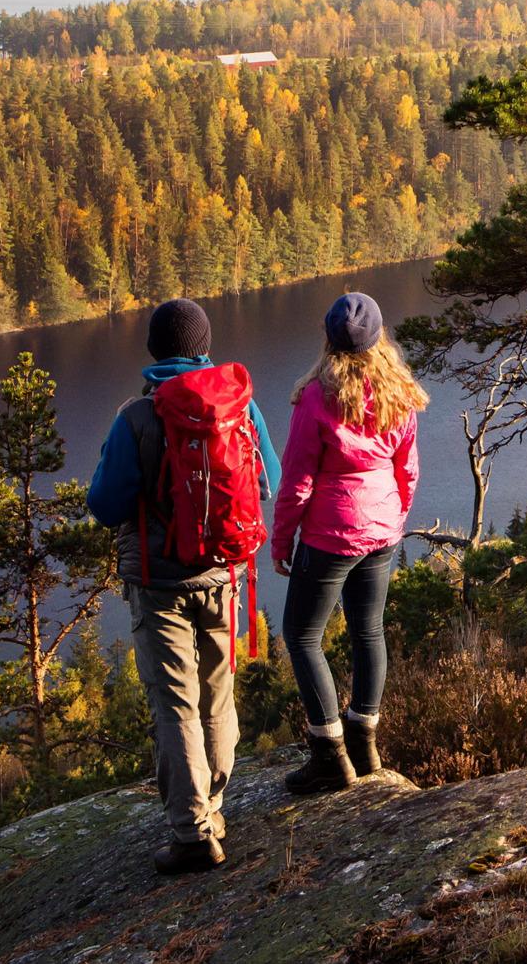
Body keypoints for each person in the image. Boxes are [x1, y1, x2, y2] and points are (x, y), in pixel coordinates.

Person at [87, 298, 281, 875]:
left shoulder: (136, 416)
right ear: (203, 345)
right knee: (217, 695)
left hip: (158, 582)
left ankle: (192, 833)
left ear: (154, 350)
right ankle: (213, 807)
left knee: (174, 704)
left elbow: (104, 505)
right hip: (222, 575)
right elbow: (265, 480)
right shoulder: (240, 407)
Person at [272, 291, 425, 792]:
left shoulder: (316, 396)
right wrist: (394, 517)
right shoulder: (399, 391)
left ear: (329, 339)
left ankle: (330, 754)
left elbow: (296, 479)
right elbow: (408, 469)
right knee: (368, 630)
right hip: (382, 529)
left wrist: (281, 541)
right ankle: (365, 743)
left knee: (301, 635)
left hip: (330, 534)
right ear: (380, 338)